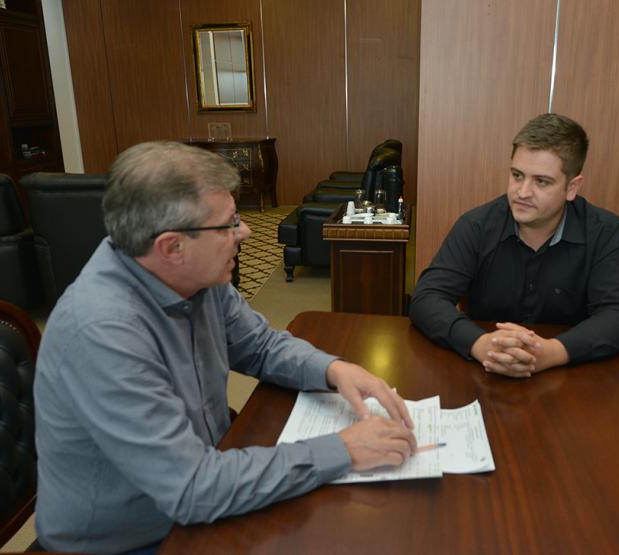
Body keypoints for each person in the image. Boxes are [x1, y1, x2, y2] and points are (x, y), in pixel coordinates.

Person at [34, 141, 416, 554]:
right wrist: (342, 449)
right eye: (229, 224)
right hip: (132, 538)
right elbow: (192, 488)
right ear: (171, 246)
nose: (246, 232)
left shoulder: (198, 276)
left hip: (199, 490)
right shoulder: (102, 332)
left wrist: (335, 370)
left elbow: (261, 346)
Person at [409, 113, 619, 378]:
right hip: (483, 374)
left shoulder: (605, 231)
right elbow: (426, 298)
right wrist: (479, 344)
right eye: (517, 175)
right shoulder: (476, 225)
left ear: (572, 187)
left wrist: (552, 352)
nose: (522, 192)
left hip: (571, 382)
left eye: (541, 181)